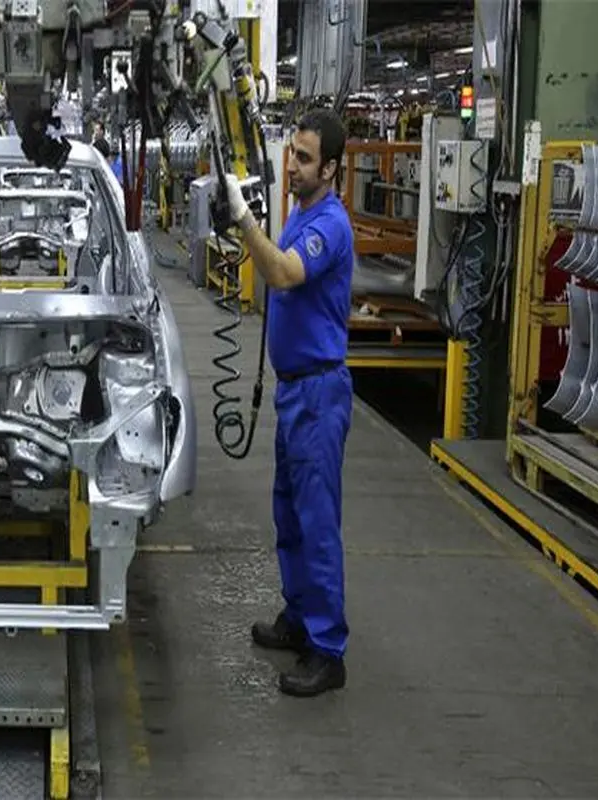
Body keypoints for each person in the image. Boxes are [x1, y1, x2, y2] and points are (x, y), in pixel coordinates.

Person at [223, 108, 354, 698]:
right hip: (293, 390)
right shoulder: (301, 212)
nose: (292, 166)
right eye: (291, 154)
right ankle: (300, 618)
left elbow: (280, 273)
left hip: (319, 394)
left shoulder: (331, 224)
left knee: (317, 523)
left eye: (304, 158)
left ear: (330, 168)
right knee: (290, 515)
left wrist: (245, 220)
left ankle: (328, 651)